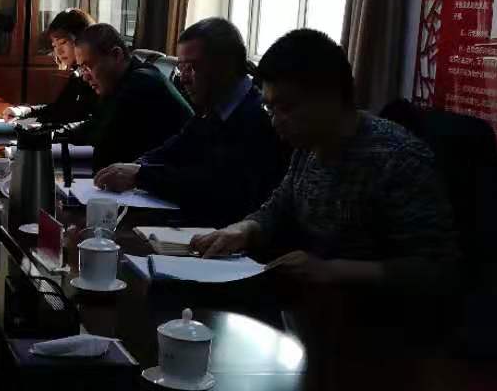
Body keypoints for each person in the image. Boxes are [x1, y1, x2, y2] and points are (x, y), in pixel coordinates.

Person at [191, 29, 458, 292]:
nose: (275, 121)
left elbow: (437, 267)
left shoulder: (398, 158)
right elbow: (279, 208)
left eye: (287, 107)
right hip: (316, 302)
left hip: (379, 312)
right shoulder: (308, 146)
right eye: (270, 108)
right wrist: (243, 230)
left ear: (331, 96)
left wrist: (331, 270)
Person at [92, 18, 286, 226]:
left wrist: (141, 175)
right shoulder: (213, 108)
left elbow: (215, 186)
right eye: (181, 68)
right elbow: (175, 149)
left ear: (226, 66)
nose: (183, 79)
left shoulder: (260, 117)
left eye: (192, 67)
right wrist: (135, 165)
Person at [60, 23, 192, 171]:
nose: (85, 77)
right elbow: (94, 126)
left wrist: (54, 152)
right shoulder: (119, 83)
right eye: (81, 68)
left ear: (116, 55)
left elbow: (103, 153)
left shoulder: (141, 85)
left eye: (88, 66)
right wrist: (57, 137)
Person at [3, 8, 97, 128]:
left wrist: (45, 130)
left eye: (63, 42)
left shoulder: (95, 76)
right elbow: (58, 109)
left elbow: (90, 123)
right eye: (54, 45)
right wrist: (23, 111)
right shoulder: (78, 73)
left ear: (81, 40)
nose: (58, 51)